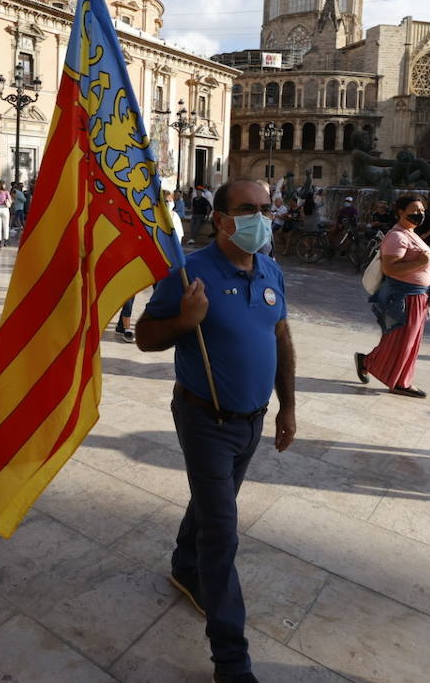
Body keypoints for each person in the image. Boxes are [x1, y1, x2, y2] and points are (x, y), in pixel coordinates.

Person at [136, 178, 295, 683]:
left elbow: (281, 336)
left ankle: (185, 565)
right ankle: (231, 661)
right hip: (206, 419)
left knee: (214, 501)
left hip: (251, 421)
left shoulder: (270, 268)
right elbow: (144, 337)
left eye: (266, 209)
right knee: (222, 535)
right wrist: (184, 321)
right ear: (222, 218)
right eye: (249, 209)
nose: (261, 218)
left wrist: (287, 406)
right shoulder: (189, 274)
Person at [355, 195, 430, 397]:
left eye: (422, 211)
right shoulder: (396, 237)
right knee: (402, 340)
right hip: (405, 297)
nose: (420, 214)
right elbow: (390, 268)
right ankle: (398, 381)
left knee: (405, 340)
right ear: (401, 212)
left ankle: (369, 363)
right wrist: (421, 263)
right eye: (415, 210)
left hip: (418, 296)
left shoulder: (411, 233)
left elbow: (418, 260)